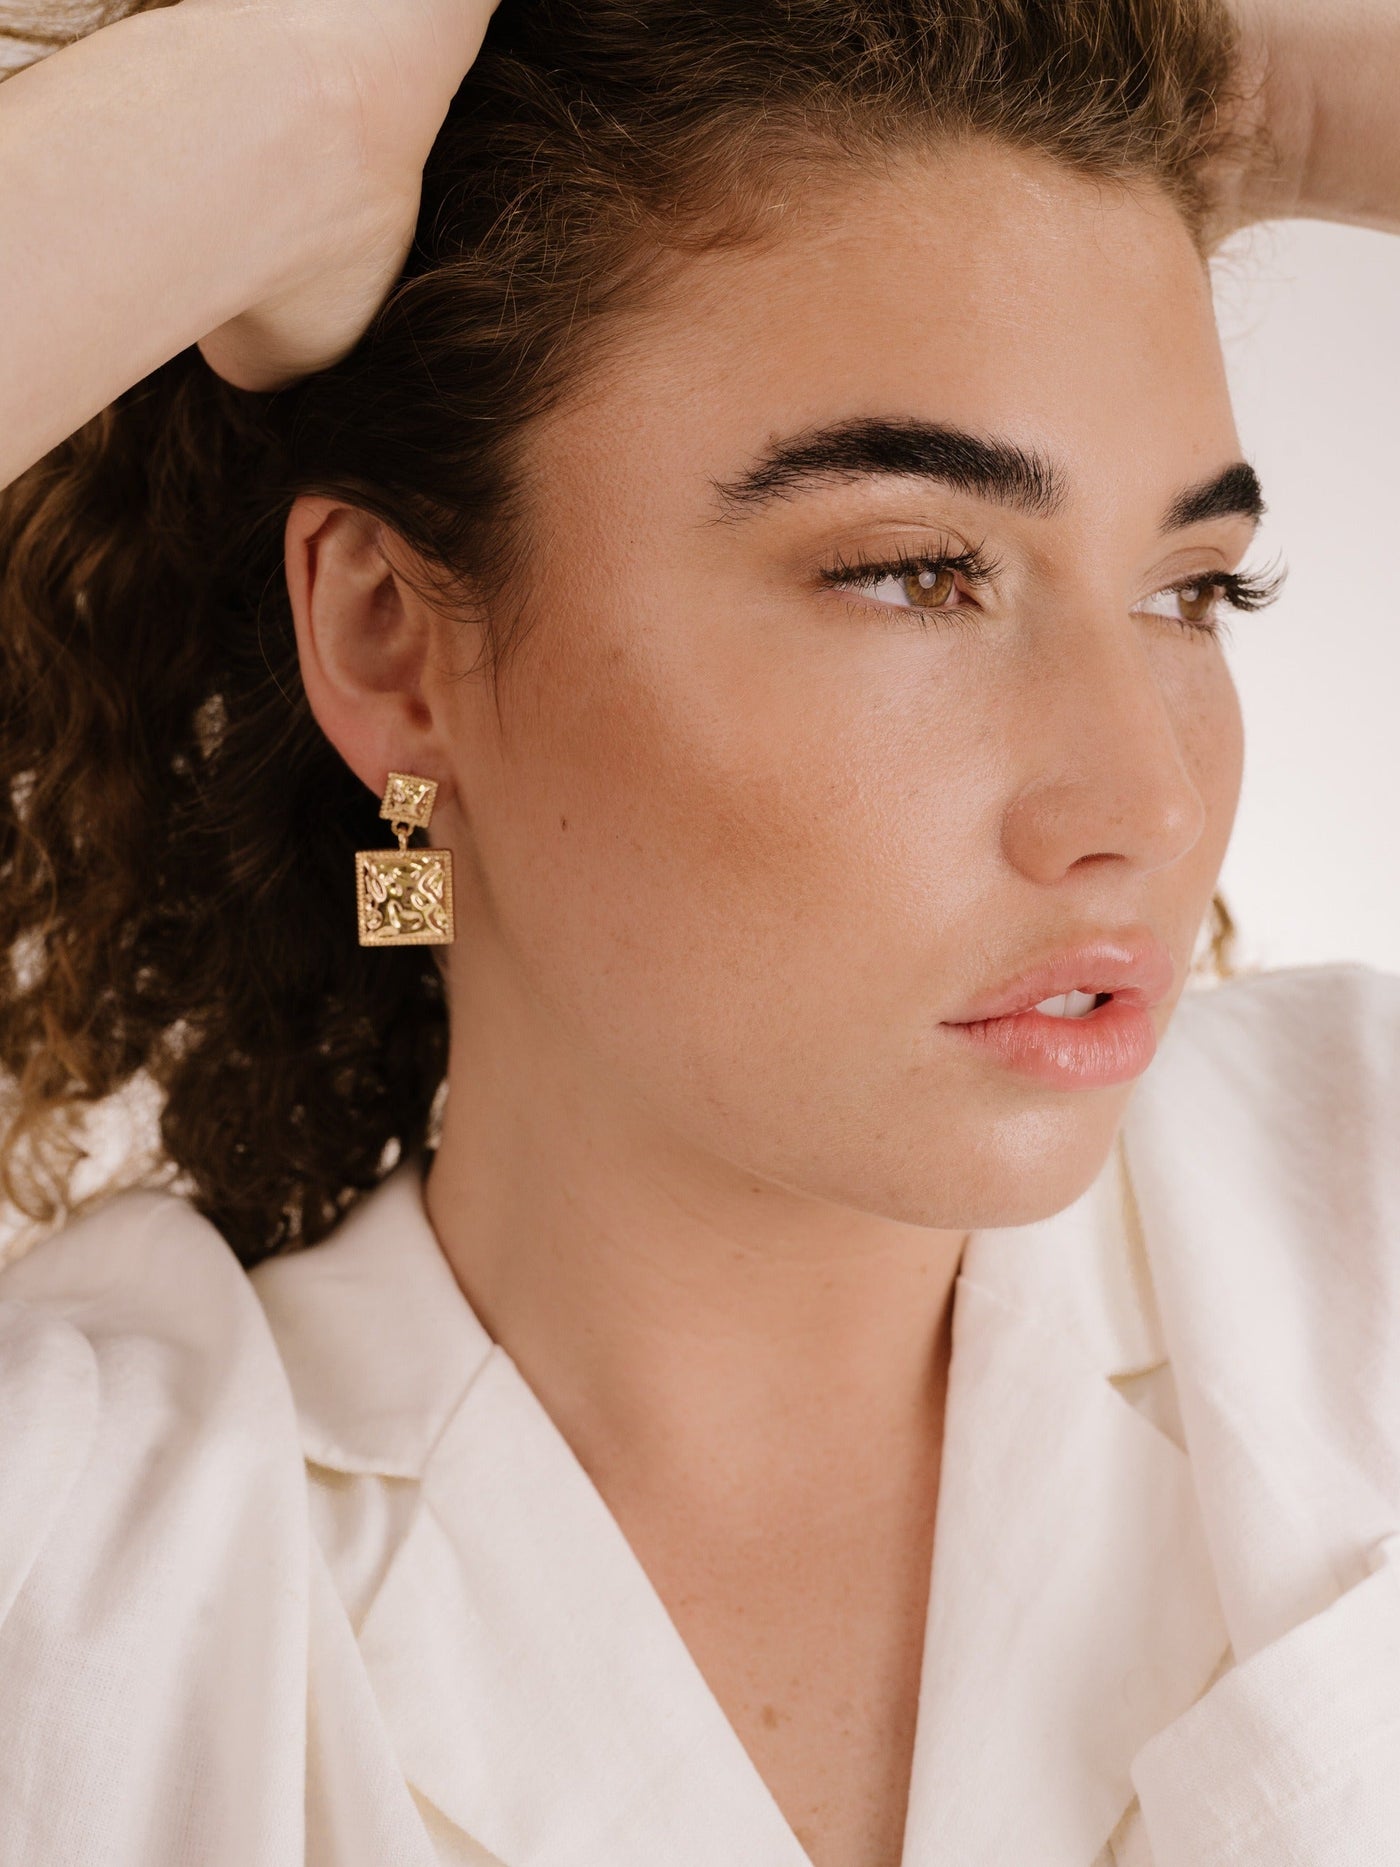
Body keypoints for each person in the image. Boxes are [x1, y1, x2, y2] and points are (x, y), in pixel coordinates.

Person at [0, 2, 1397, 1863]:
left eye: (1190, 590)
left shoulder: (1361, 1205)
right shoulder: (87, 1548)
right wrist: (288, 115)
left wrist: (1264, 73)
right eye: (912, 571)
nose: (1140, 805)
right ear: (390, 642)